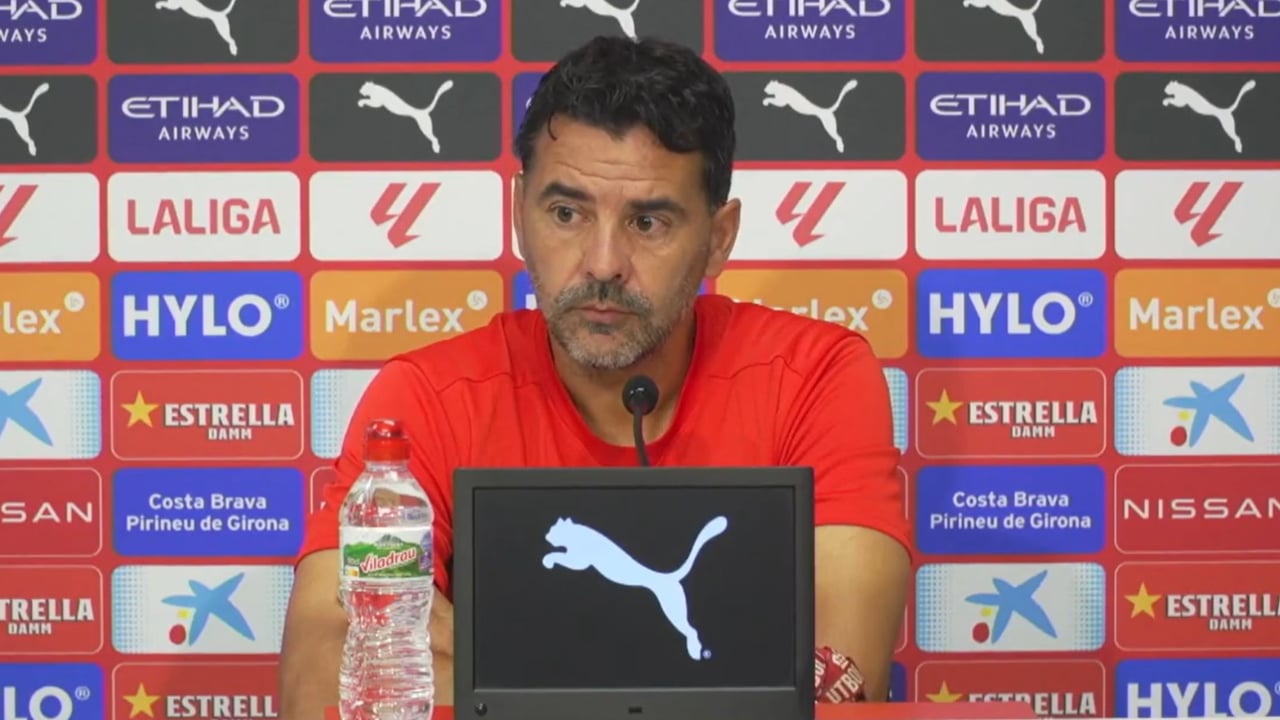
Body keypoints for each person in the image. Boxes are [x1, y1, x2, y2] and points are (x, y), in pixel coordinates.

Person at [280, 35, 910, 718]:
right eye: (567, 213)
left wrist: (498, 662)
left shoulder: (814, 377)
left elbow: (839, 682)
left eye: (648, 221)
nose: (604, 262)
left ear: (718, 239)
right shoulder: (428, 398)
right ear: (519, 215)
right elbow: (320, 682)